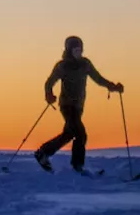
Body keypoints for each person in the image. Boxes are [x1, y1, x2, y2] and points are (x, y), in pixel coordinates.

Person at [34, 35, 123, 173]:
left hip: (78, 107)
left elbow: (98, 78)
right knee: (81, 135)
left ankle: (43, 153)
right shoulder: (62, 66)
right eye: (76, 50)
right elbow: (49, 82)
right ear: (69, 50)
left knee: (69, 134)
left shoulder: (85, 64)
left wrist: (113, 87)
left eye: (80, 49)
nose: (79, 52)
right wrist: (49, 94)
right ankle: (77, 166)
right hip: (67, 106)